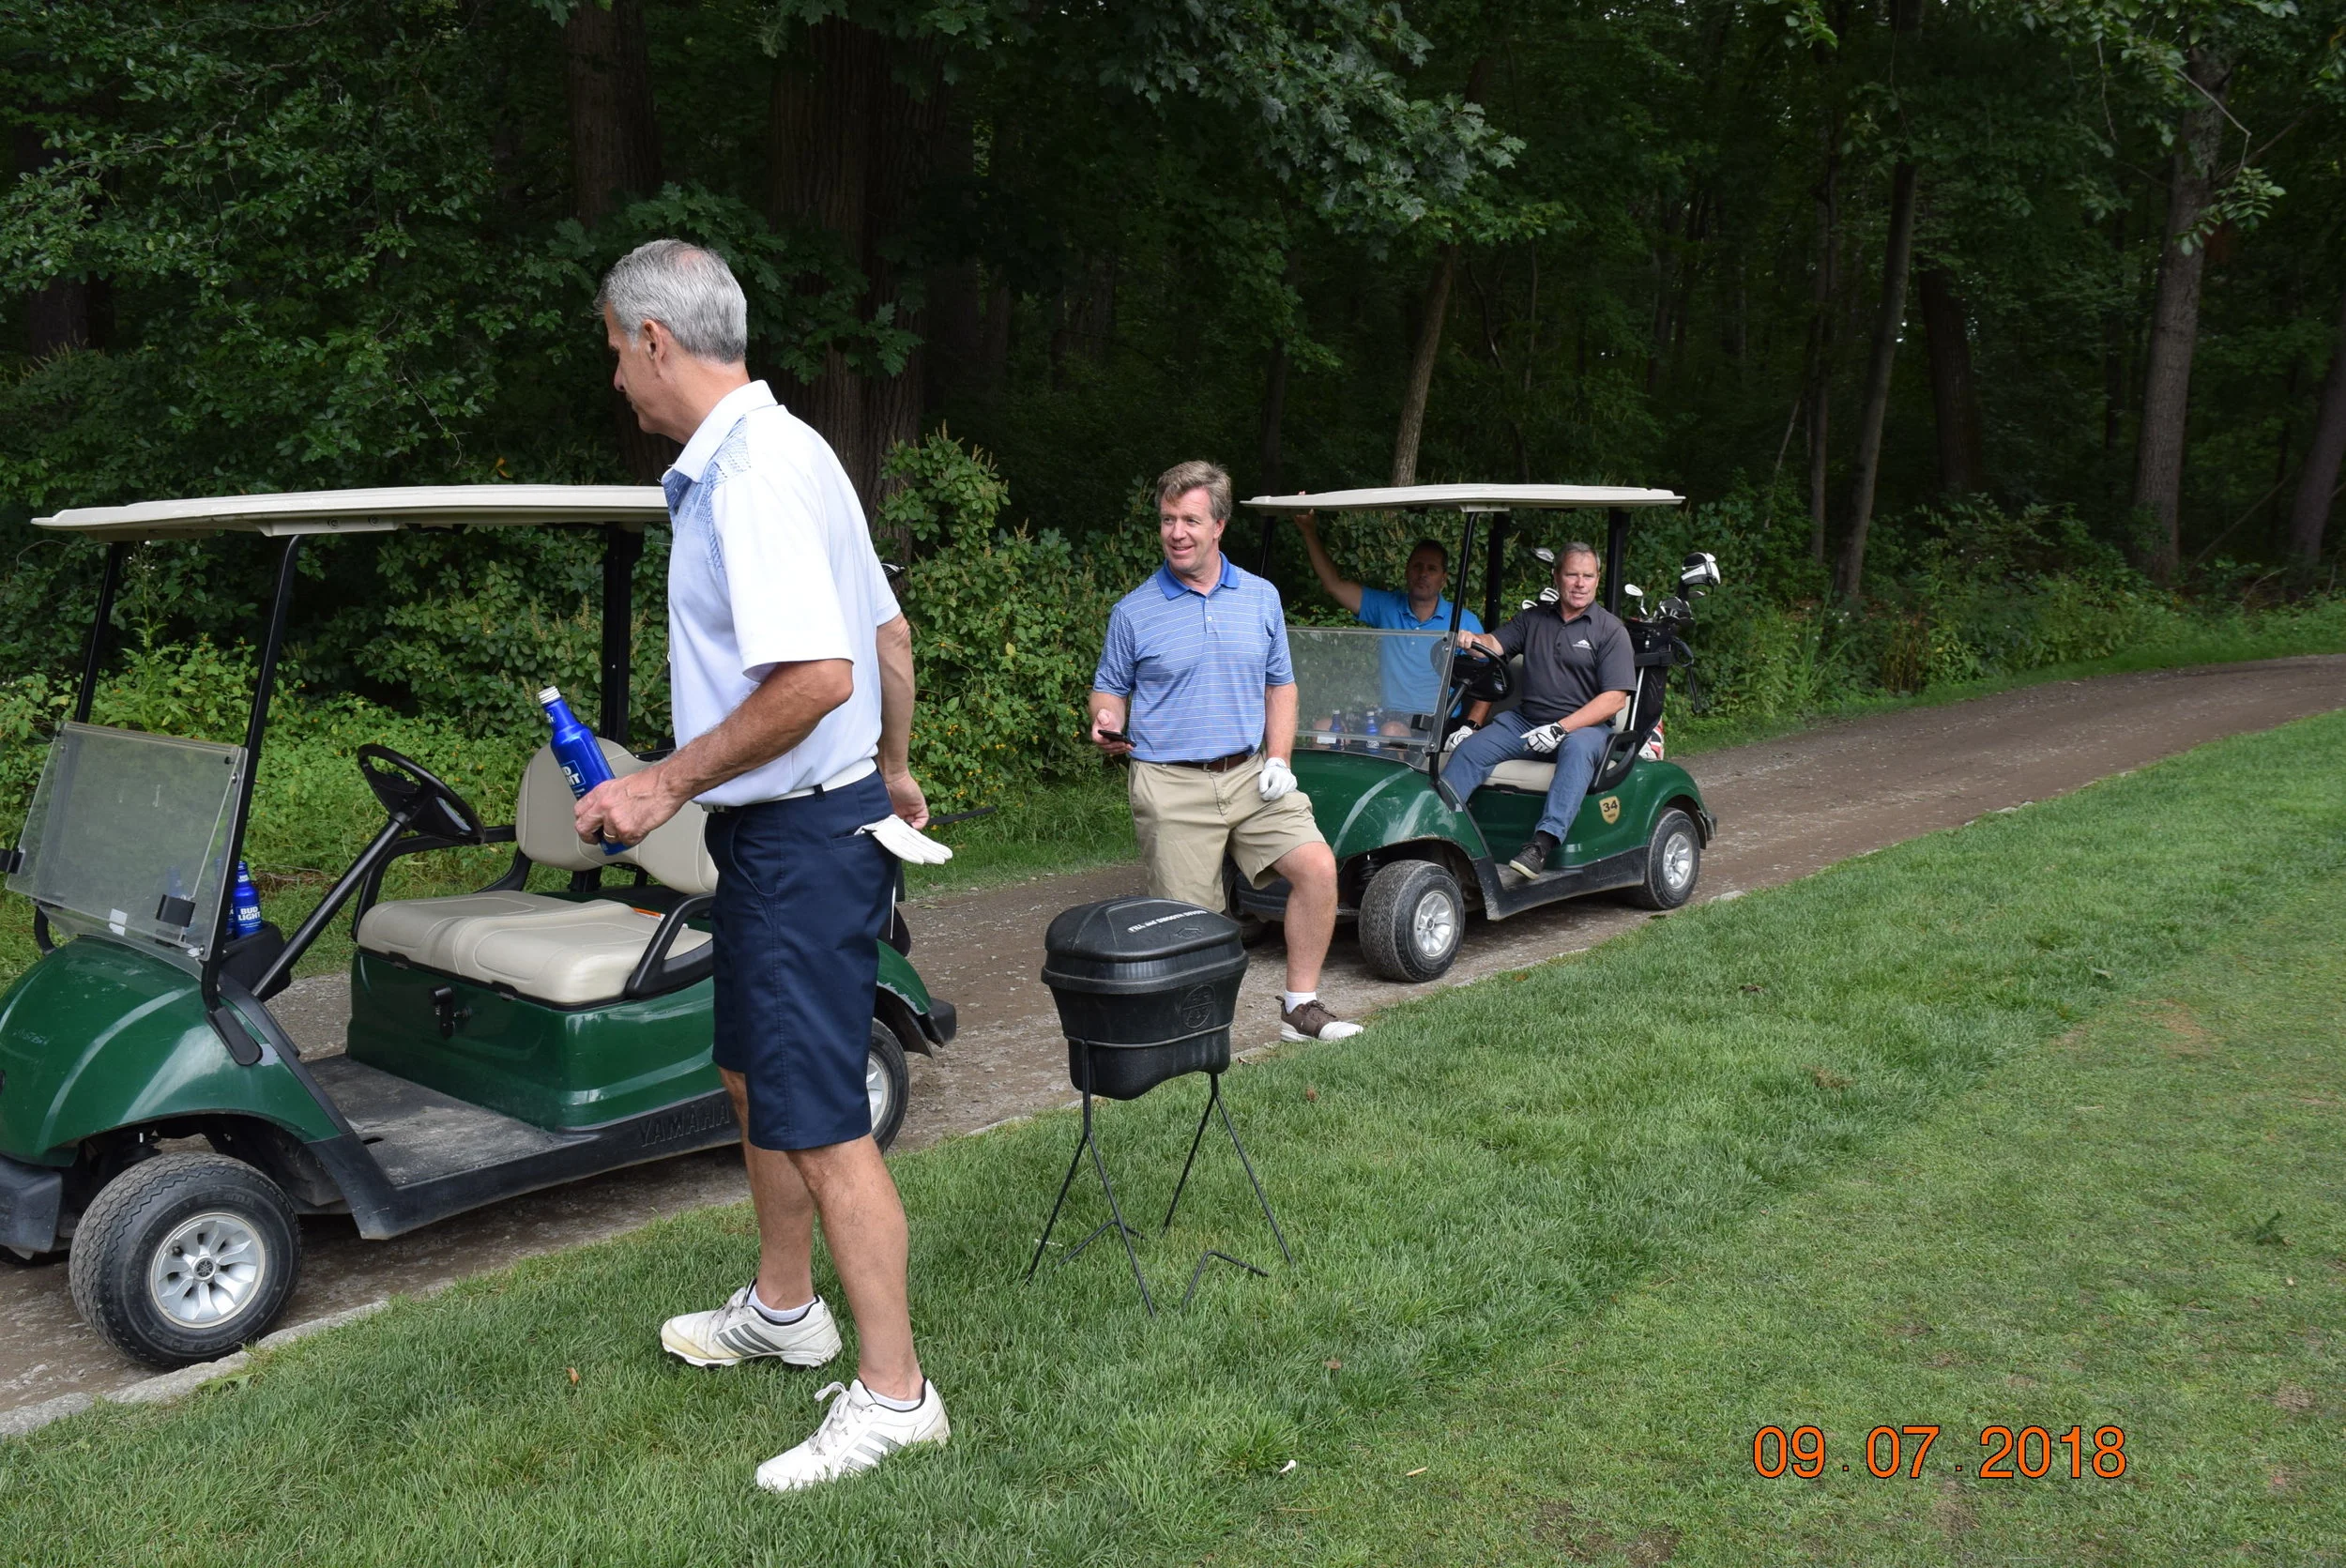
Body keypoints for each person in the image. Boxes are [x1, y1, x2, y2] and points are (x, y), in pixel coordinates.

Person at [572, 238, 948, 1493]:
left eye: (615, 350)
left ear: (654, 340)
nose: (617, 378)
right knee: (753, 1072)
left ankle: (897, 1394)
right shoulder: (790, 450)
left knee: (825, 1117)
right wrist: (895, 766)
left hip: (797, 838)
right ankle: (788, 1305)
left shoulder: (750, 478)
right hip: (797, 827)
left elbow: (818, 674)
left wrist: (660, 781)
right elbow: (886, 634)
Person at [1090, 461, 1364, 1043]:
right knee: (1193, 925)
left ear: (1219, 525)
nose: (1176, 532)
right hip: (1171, 782)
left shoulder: (1260, 598)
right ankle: (1193, 1034)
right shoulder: (1133, 612)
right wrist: (1106, 719)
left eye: (1190, 519)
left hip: (1249, 774)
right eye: (1167, 520)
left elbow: (1281, 684)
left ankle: (1301, 1007)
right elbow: (1108, 691)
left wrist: (1280, 760)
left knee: (1317, 868)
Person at [1439, 541, 1635, 881]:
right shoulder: (1533, 619)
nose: (1579, 583)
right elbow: (1494, 646)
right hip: (1526, 722)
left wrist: (1561, 727)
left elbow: (1615, 699)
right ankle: (1438, 831)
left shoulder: (1609, 630)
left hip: (1584, 728)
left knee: (1577, 749)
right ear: (1557, 576)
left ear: (1597, 580)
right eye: (1572, 574)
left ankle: (1542, 844)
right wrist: (1473, 640)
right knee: (1470, 749)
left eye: (1587, 576)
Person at [1294, 510, 1482, 726]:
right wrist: (1308, 531)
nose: (1423, 573)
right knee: (1324, 728)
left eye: (1432, 569)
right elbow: (1334, 585)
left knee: (1392, 731)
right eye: (1417, 566)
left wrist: (1470, 728)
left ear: (1443, 579)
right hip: (1387, 715)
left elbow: (1488, 679)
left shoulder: (1464, 620)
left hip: (1435, 723)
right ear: (1406, 571)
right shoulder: (1386, 607)